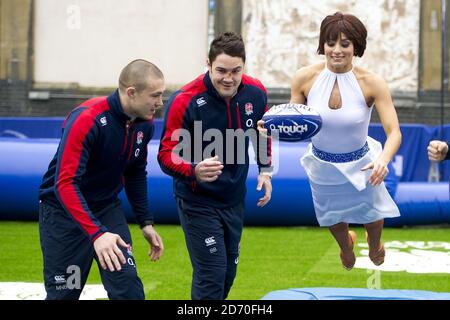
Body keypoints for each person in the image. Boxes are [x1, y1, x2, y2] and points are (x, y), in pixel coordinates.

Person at [158, 32, 272, 299]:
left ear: (244, 66)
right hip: (197, 200)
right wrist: (193, 170)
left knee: (227, 276)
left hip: (234, 199)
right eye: (221, 70)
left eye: (236, 71)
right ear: (207, 64)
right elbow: (165, 154)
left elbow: (261, 132)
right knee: (211, 274)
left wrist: (265, 170)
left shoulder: (256, 93)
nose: (228, 78)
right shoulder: (184, 100)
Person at [38, 59, 165, 299]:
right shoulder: (87, 119)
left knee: (128, 290)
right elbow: (65, 183)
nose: (160, 103)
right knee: (65, 293)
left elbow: (135, 171)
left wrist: (145, 222)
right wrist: (96, 234)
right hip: (65, 214)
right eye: (155, 95)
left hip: (106, 209)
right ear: (131, 92)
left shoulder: (145, 124)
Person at [290, 12, 402, 270]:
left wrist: (382, 161)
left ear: (356, 47)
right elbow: (292, 121)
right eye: (330, 44)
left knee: (373, 217)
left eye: (344, 44)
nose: (336, 50)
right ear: (323, 45)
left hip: (363, 163)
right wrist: (270, 127)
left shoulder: (372, 83)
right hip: (321, 163)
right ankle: (346, 246)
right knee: (333, 219)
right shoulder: (304, 78)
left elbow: (394, 131)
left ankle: (374, 244)